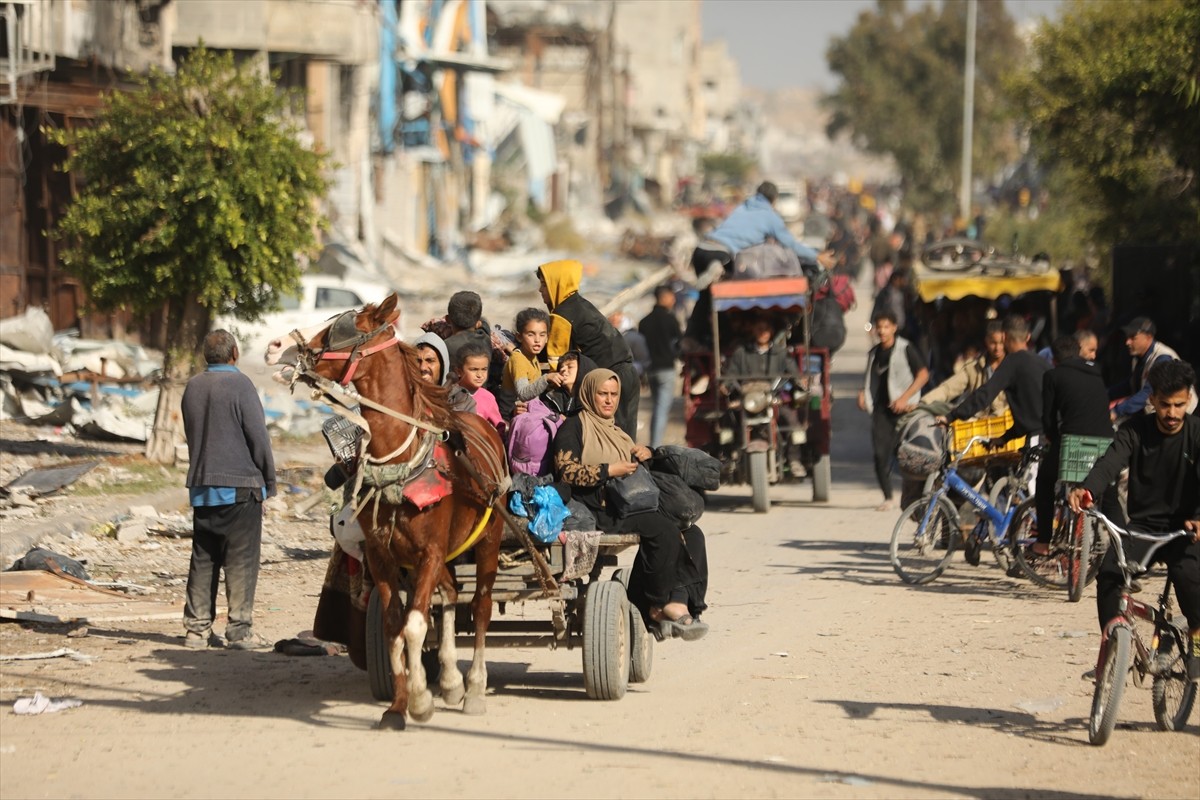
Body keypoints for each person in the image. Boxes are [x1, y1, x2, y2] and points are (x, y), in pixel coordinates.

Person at [552, 368, 709, 641]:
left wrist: (644, 453)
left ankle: (679, 601)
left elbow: (633, 469)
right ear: (589, 393)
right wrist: (608, 470)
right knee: (662, 531)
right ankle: (657, 604)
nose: (609, 400)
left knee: (692, 533)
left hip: (631, 502)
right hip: (601, 507)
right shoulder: (574, 426)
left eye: (614, 394)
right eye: (602, 394)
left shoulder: (616, 429)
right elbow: (566, 471)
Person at [1069, 360, 1200, 681]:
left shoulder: (1197, 434)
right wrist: (1087, 488)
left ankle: (1197, 642)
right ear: (1151, 399)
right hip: (1143, 526)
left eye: (1179, 405)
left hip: (1187, 529)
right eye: (1165, 404)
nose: (1171, 413)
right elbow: (1110, 462)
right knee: (1111, 575)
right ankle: (1112, 648)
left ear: (1189, 400)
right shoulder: (1133, 431)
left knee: (1189, 579)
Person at [181, 330, 276, 650]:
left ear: (206, 356)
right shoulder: (242, 386)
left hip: (203, 487)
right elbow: (258, 439)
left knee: (203, 559)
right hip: (240, 488)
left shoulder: (193, 387)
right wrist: (269, 481)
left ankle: (196, 631)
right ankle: (238, 631)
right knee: (241, 560)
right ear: (234, 353)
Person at [684, 181, 829, 345]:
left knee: (705, 298)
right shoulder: (769, 216)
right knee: (726, 299)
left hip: (701, 249)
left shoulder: (741, 208)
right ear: (774, 200)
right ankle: (719, 270)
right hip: (721, 253)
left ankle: (692, 336)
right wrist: (817, 256)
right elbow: (791, 245)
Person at [537, 259, 640, 438]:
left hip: (609, 381)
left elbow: (558, 363)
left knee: (611, 440)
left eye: (544, 285)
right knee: (625, 439)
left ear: (557, 284)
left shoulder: (562, 315)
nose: (540, 290)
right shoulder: (580, 305)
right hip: (627, 375)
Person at [1033, 334, 1115, 555]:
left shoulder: (1052, 376)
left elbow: (1048, 418)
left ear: (1054, 359)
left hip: (1073, 440)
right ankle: (1123, 550)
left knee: (1045, 480)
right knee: (1109, 491)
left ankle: (1042, 541)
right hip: (1106, 441)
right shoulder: (1096, 372)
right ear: (1078, 353)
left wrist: (1050, 437)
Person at [858, 310, 929, 510]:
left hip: (906, 410)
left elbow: (923, 375)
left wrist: (905, 398)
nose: (882, 331)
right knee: (880, 455)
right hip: (882, 409)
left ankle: (916, 496)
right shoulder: (874, 353)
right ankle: (888, 497)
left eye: (886, 326)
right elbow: (870, 377)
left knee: (910, 454)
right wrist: (862, 393)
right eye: (879, 327)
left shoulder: (906, 349)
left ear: (894, 328)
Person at [945, 315, 1050, 448]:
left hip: (1037, 440)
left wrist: (951, 416)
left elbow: (985, 394)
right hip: (1054, 436)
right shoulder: (1042, 363)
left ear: (1004, 337)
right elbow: (1033, 412)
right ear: (1028, 337)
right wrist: (1005, 438)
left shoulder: (1012, 362)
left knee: (1032, 469)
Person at [724, 316, 806, 477]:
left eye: (766, 329)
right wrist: (725, 385)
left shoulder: (780, 353)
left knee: (793, 423)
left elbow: (793, 371)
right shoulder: (742, 352)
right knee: (726, 425)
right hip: (747, 400)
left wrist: (800, 381)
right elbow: (730, 373)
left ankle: (794, 459)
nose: (762, 333)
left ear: (771, 332)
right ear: (753, 331)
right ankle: (730, 457)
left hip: (772, 399)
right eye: (759, 329)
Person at [1108, 316, 1194, 422]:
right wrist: (1104, 395)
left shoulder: (1163, 358)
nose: (1127, 342)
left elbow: (1148, 394)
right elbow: (1130, 384)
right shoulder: (1139, 358)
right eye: (1127, 337)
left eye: (1133, 337)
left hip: (1180, 418)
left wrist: (1117, 411)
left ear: (1148, 337)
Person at [917, 319, 1007, 415]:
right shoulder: (973, 367)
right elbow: (948, 389)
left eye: (1001, 343)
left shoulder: (1015, 365)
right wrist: (923, 403)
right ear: (986, 341)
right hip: (980, 424)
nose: (998, 348)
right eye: (993, 343)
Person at [639, 285, 681, 449]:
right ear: (664, 298)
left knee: (657, 407)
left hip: (650, 370)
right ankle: (655, 446)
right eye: (672, 296)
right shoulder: (670, 320)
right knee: (661, 409)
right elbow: (679, 344)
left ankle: (653, 443)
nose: (674, 299)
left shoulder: (644, 322)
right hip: (666, 370)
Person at [502, 307, 564, 406]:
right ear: (519, 337)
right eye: (531, 335)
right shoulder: (518, 359)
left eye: (542, 335)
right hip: (511, 413)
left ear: (547, 338)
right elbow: (523, 393)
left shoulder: (532, 356)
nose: (537, 340)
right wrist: (546, 378)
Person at [414, 332, 476, 413]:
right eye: (418, 361)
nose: (422, 367)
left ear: (442, 365)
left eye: (430, 361)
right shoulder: (403, 396)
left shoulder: (462, 402)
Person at [455, 341, 502, 430]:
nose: (480, 375)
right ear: (459, 371)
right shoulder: (449, 394)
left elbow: (499, 428)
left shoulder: (488, 398)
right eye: (474, 369)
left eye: (484, 369)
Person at [442, 290, 493, 371]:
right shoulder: (485, 339)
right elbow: (485, 325)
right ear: (478, 323)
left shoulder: (445, 346)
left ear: (447, 319)